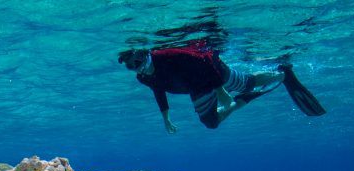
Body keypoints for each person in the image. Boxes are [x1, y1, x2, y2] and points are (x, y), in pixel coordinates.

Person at [118, 42, 325, 132]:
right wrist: (166, 118)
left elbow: (205, 58)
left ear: (144, 54)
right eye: (130, 67)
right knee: (210, 123)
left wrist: (221, 90)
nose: (137, 69)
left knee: (246, 82)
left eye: (136, 62)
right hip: (197, 87)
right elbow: (158, 91)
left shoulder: (167, 56)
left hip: (214, 72)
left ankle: (282, 73)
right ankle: (239, 102)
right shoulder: (143, 77)